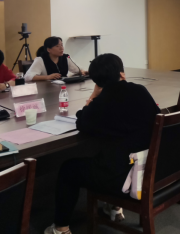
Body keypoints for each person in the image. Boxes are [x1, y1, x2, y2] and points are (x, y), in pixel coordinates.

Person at [45, 54, 161, 234]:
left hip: (123, 176)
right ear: (121, 73)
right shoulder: (140, 90)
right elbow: (156, 116)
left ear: (95, 81)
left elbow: (83, 123)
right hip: (152, 168)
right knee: (110, 149)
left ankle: (61, 228)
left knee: (69, 169)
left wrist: (92, 97)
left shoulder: (102, 102)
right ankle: (114, 207)